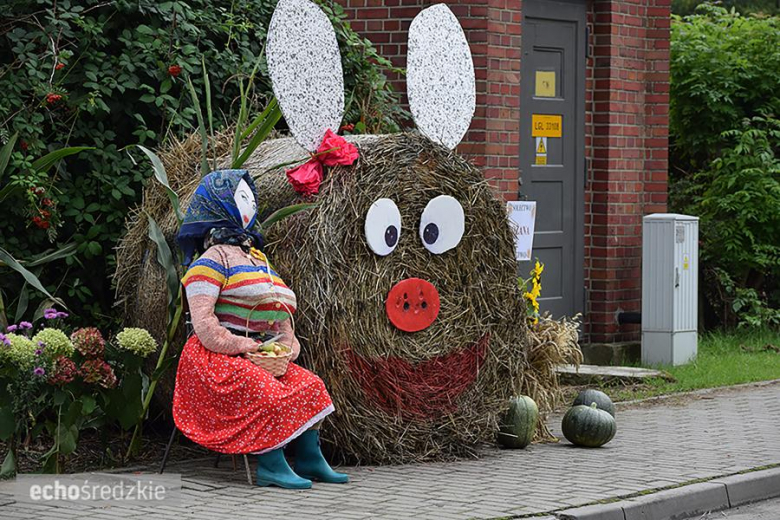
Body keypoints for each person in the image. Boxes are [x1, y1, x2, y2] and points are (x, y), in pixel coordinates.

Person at [172, 169, 347, 489]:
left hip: (262, 353)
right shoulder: (211, 260)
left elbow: (277, 309)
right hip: (217, 356)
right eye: (241, 198)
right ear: (219, 204)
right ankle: (271, 464)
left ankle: (309, 458)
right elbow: (204, 323)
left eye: (250, 200)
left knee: (311, 385)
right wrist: (243, 346)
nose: (250, 206)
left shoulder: (256, 258)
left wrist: (286, 343)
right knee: (265, 391)